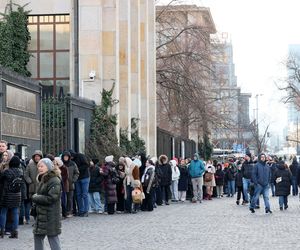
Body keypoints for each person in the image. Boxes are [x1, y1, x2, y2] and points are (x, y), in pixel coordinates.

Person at [32, 158, 62, 250]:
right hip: (41, 214)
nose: (40, 168)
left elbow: (52, 198)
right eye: (38, 166)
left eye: (42, 166)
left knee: (53, 238)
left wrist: (36, 197)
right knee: (37, 237)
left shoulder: (54, 180)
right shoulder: (43, 179)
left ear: (48, 167)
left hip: (51, 214)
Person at [0, 156, 23, 239]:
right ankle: (15, 232)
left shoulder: (7, 172)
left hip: (7, 194)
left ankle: (1, 230)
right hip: (17, 195)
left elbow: (1, 180)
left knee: (3, 212)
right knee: (15, 213)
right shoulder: (21, 172)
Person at [61, 151, 79, 217]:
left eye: (67, 156)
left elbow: (77, 173)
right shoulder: (61, 164)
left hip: (70, 184)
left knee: (70, 199)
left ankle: (69, 211)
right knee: (63, 199)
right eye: (64, 156)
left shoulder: (73, 164)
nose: (65, 158)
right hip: (62, 184)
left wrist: (73, 180)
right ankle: (63, 212)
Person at [73, 152, 90, 217]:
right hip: (78, 178)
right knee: (78, 194)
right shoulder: (72, 160)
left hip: (85, 177)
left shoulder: (81, 156)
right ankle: (81, 210)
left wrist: (78, 169)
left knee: (84, 194)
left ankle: (86, 210)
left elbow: (86, 165)